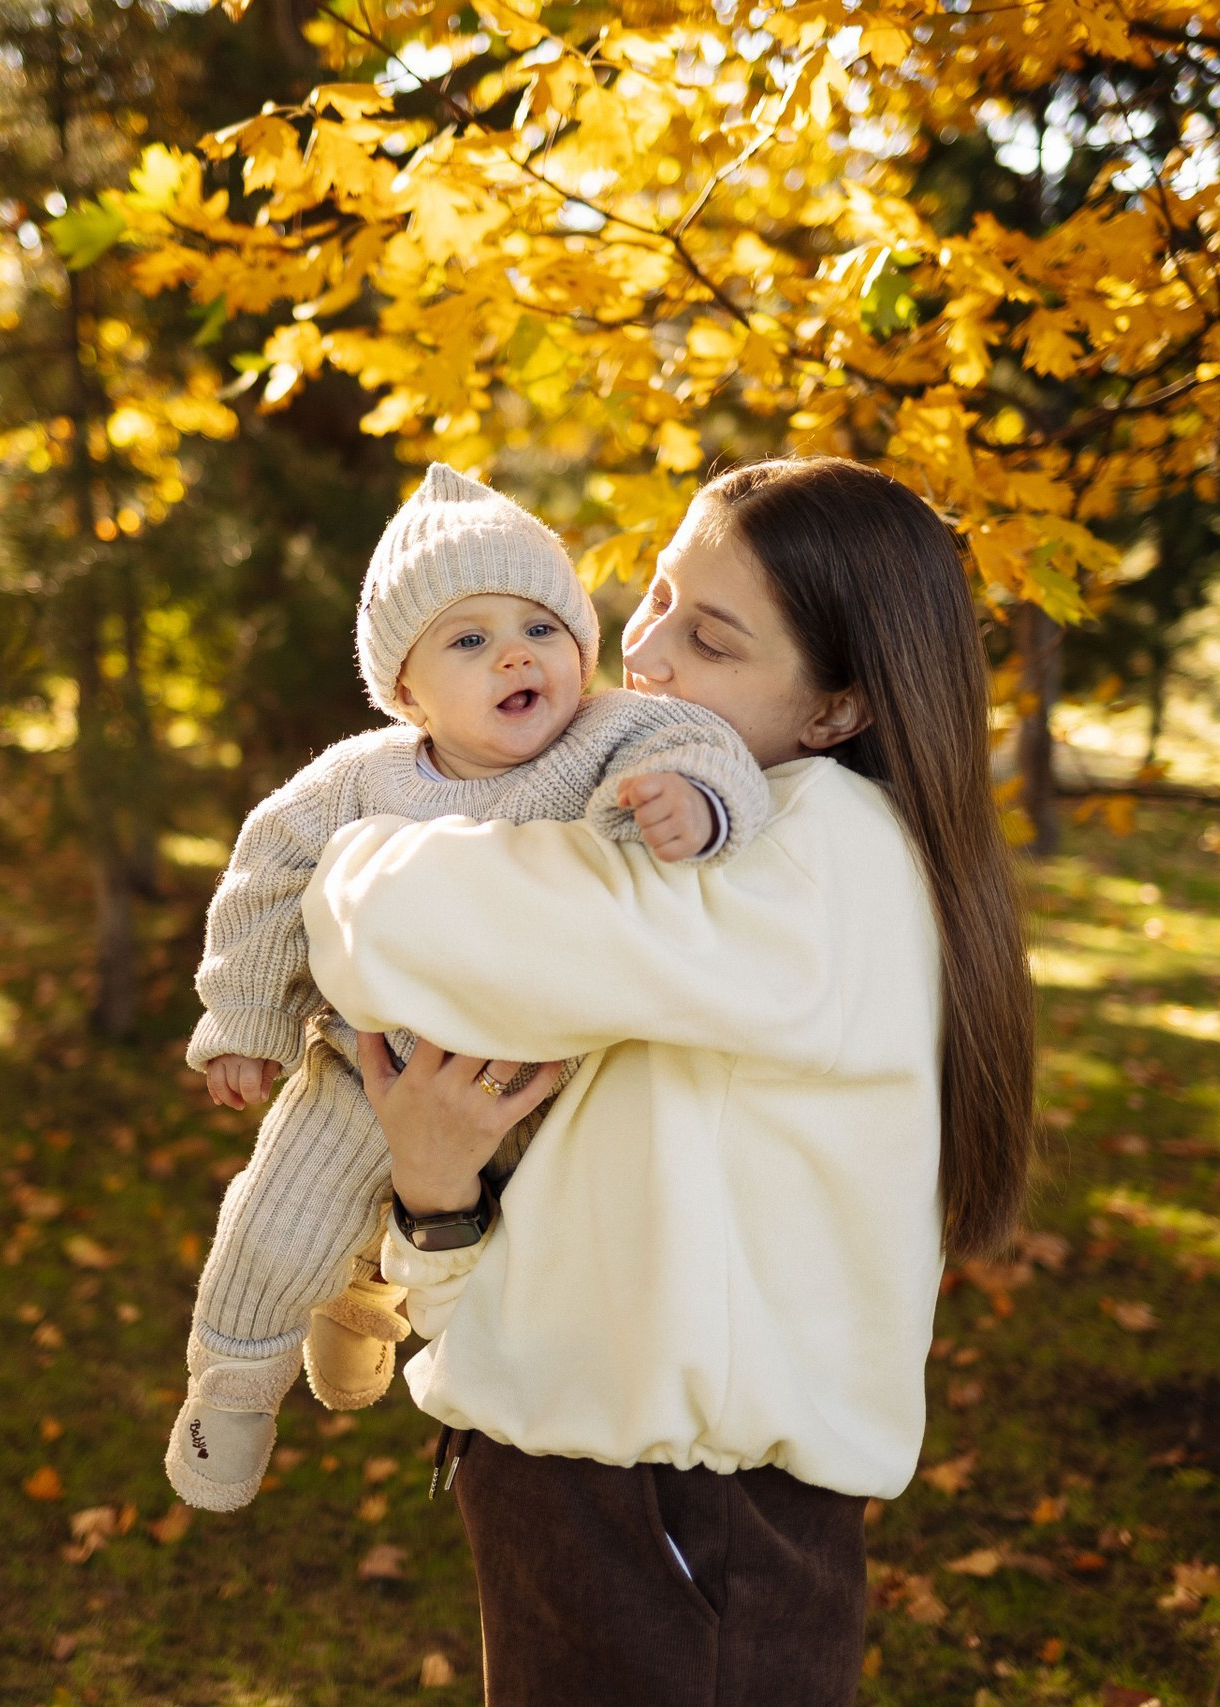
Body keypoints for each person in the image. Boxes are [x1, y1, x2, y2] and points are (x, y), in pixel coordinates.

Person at [303, 457, 1038, 1705]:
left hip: (681, 1524)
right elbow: (592, 1201)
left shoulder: (814, 853)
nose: (638, 654)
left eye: (709, 637)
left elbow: (410, 928)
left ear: (835, 710)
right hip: (586, 1498)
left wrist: (349, 845)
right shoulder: (698, 837)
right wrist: (437, 1206)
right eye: (650, 595)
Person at [166, 463, 771, 1512]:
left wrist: (698, 802)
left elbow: (703, 741)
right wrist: (245, 1018)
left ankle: (370, 1291)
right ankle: (231, 1393)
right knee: (274, 1225)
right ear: (405, 691)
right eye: (467, 640)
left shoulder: (612, 737)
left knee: (513, 1255)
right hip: (367, 1069)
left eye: (541, 626)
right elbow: (265, 874)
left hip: (542, 1084)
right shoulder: (358, 778)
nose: (514, 655)